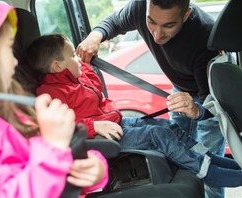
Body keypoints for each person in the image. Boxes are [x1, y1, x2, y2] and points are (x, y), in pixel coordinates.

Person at [25, 33, 242, 190]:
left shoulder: (75, 77)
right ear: (56, 66)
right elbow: (59, 125)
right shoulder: (51, 92)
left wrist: (82, 65)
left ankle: (211, 158)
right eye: (72, 55)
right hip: (102, 136)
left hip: (117, 122)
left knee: (169, 125)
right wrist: (94, 126)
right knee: (159, 135)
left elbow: (96, 86)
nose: (78, 58)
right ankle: (208, 172)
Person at [0, 0, 108, 198]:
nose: (14, 61)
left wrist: (93, 169)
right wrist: (53, 148)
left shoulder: (5, 110)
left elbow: (40, 164)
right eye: (9, 49)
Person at [75, 0, 226, 198]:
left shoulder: (204, 36)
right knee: (180, 155)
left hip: (206, 98)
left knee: (209, 166)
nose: (156, 34)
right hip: (177, 92)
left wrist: (197, 110)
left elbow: (209, 104)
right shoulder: (139, 7)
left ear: (186, 14)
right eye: (151, 22)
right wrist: (95, 36)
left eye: (168, 25)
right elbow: (113, 22)